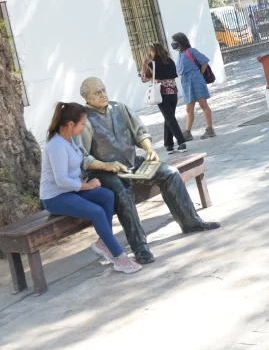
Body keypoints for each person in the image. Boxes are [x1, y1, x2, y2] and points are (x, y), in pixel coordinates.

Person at [77, 77, 221, 264]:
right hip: (104, 171)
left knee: (170, 173)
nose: (103, 94)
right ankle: (140, 247)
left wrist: (149, 149)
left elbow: (140, 132)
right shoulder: (83, 120)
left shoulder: (119, 108)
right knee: (122, 193)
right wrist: (106, 166)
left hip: (131, 162)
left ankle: (191, 223)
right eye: (97, 92)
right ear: (85, 97)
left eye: (104, 90)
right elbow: (82, 157)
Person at [41, 102, 141, 274]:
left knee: (107, 196)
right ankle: (120, 257)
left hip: (71, 190)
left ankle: (103, 243)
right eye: (82, 123)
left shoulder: (69, 139)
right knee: (97, 212)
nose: (84, 127)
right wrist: (88, 185)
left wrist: (105, 166)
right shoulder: (56, 145)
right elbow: (62, 181)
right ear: (71, 124)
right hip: (55, 197)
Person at [141, 43, 187, 154]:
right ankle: (168, 145)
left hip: (161, 95)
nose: (150, 53)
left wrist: (144, 65)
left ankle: (181, 142)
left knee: (170, 118)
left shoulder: (153, 65)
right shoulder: (170, 61)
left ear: (156, 52)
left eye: (152, 51)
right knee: (169, 117)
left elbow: (144, 79)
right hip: (173, 93)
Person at [171, 33, 216, 141]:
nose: (172, 44)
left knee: (203, 104)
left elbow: (204, 61)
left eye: (174, 41)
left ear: (179, 41)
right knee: (189, 108)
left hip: (196, 80)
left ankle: (210, 129)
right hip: (186, 82)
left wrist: (200, 73)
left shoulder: (191, 51)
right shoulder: (180, 54)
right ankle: (187, 132)